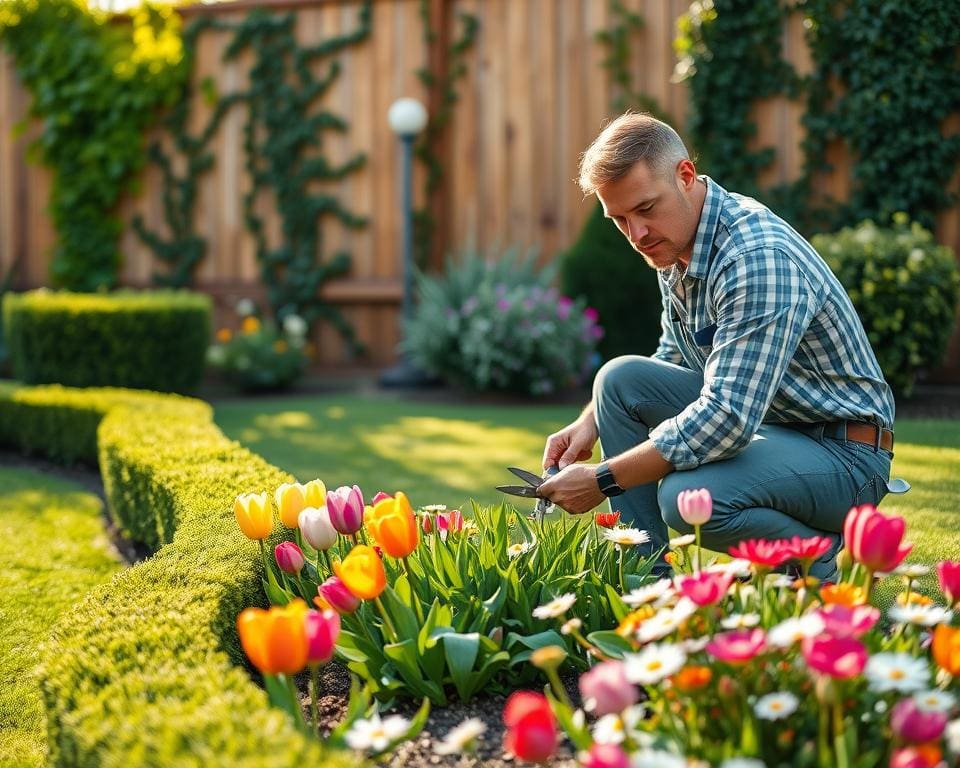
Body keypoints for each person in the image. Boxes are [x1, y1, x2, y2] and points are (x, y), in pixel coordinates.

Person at [537, 112, 897, 581]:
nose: (637, 235)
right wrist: (590, 423)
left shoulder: (755, 257)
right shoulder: (676, 246)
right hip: (775, 430)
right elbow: (671, 356)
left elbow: (725, 418)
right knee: (618, 380)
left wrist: (604, 479)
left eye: (646, 209)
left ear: (686, 175)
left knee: (689, 500)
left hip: (843, 457)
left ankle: (810, 559)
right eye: (620, 219)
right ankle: (645, 583)